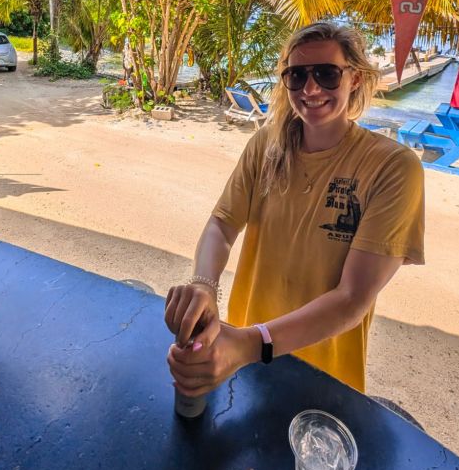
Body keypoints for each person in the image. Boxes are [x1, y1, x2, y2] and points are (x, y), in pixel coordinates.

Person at [164, 22, 425, 396]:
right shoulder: (266, 146)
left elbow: (352, 299)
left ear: (355, 79)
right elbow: (222, 225)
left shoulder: (392, 167)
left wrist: (249, 343)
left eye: (326, 74)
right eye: (297, 75)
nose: (311, 88)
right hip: (242, 355)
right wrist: (204, 286)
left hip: (323, 373)